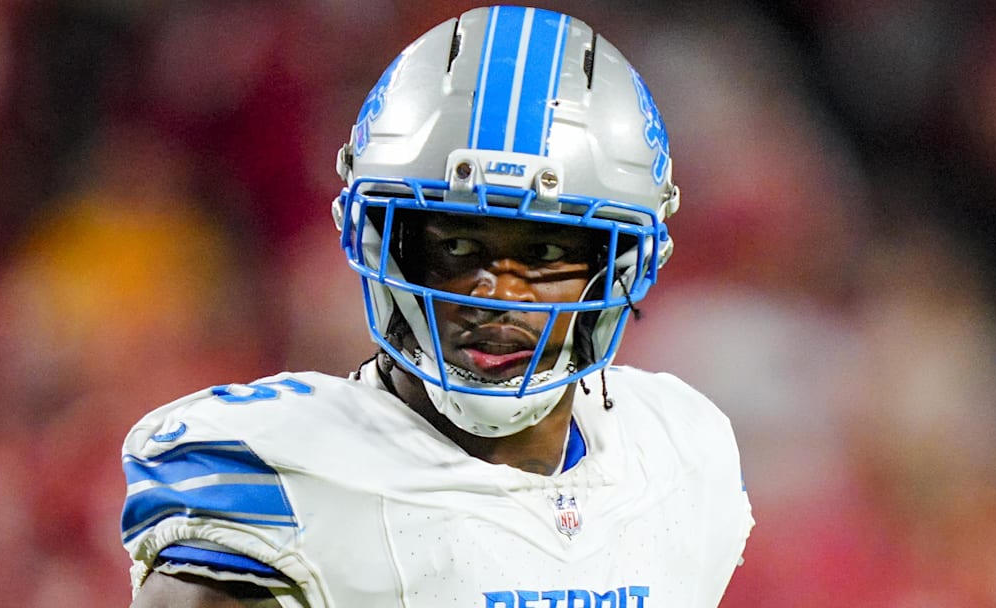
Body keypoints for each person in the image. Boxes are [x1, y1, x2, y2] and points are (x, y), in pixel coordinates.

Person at [121, 6, 753, 607]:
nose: (500, 294)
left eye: (547, 250)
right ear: (383, 245)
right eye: (457, 244)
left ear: (621, 265)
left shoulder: (680, 455)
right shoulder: (279, 480)